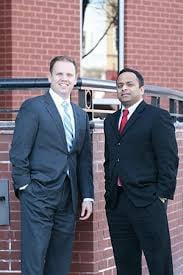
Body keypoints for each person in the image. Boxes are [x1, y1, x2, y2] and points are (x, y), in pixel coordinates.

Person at [9, 55, 94, 275]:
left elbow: (83, 159)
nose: (64, 79)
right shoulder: (33, 108)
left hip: (68, 196)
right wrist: (25, 188)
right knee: (34, 258)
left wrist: (87, 195)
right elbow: (19, 153)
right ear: (50, 77)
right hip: (38, 194)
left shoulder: (80, 115)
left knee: (60, 261)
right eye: (59, 74)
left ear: (75, 79)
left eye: (69, 74)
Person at [104, 68, 179, 275]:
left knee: (159, 264)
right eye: (120, 85)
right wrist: (108, 193)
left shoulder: (157, 117)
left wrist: (162, 197)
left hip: (148, 202)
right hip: (117, 204)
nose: (124, 88)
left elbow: (169, 160)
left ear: (142, 89)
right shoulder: (110, 121)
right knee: (125, 266)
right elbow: (109, 160)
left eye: (129, 84)